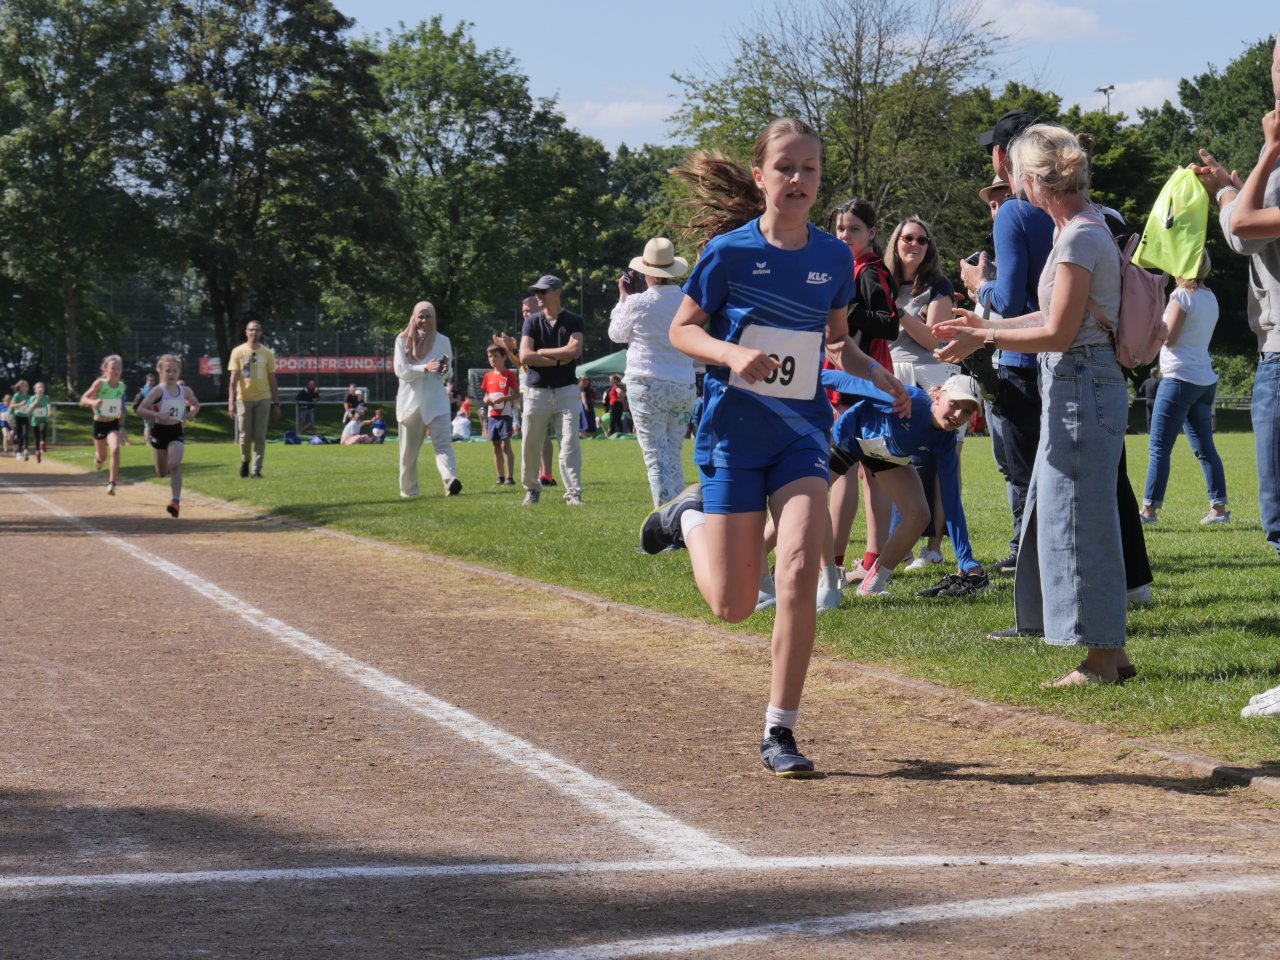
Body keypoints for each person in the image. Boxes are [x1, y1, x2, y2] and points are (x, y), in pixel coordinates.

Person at [639, 117, 909, 777]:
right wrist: (732, 353)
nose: (798, 179)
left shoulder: (833, 258)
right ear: (760, 176)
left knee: (797, 568)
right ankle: (688, 517)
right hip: (734, 433)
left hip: (801, 435)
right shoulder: (728, 253)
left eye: (809, 169)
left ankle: (780, 730)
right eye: (785, 167)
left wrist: (879, 377)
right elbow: (683, 330)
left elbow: (837, 342)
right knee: (732, 606)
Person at [936, 123, 1134, 687]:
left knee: (1078, 521)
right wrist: (983, 325)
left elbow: (1059, 333)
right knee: (1082, 517)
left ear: (1032, 179)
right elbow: (1051, 318)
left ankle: (1099, 662)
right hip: (1080, 383)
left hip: (1079, 384)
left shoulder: (1077, 238)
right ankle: (1112, 654)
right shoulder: (1081, 229)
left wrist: (986, 336)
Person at [959, 110, 1054, 577]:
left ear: (1002, 155)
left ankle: (1026, 550)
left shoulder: (1015, 211)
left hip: (1021, 356)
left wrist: (980, 285)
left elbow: (1010, 299)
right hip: (1066, 355)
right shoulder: (1071, 207)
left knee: (1020, 466)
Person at [823, 370, 988, 598]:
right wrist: (807, 375)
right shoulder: (906, 398)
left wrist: (965, 558)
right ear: (938, 397)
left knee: (918, 514)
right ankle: (774, 571)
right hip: (848, 439)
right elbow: (849, 382)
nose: (959, 414)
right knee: (806, 499)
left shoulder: (946, 440)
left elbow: (951, 500)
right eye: (954, 404)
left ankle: (872, 585)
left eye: (967, 411)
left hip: (883, 453)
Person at [828, 198, 898, 585]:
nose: (845, 235)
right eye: (840, 228)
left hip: (864, 382)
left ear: (871, 233)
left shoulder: (870, 270)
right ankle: (864, 561)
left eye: (853, 229)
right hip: (852, 380)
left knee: (853, 472)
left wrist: (848, 309)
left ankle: (835, 565)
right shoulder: (846, 267)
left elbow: (889, 324)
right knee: (866, 473)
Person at [884, 216, 960, 572]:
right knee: (890, 461)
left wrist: (897, 311)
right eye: (907, 238)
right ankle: (897, 547)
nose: (914, 244)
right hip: (891, 374)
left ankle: (933, 547)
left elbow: (933, 339)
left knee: (941, 462)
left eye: (922, 240)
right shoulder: (880, 280)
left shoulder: (938, 286)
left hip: (931, 376)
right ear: (895, 242)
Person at [1138, 252, 1229, 525]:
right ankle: (1218, 510)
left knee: (1159, 447)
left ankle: (1149, 511)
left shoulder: (1180, 296)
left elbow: (1169, 338)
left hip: (1179, 379)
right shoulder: (1211, 297)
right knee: (1205, 448)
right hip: (1203, 380)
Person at [608, 236, 697, 505]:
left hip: (647, 383)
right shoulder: (687, 300)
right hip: (683, 384)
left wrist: (623, 298)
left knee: (655, 458)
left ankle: (664, 520)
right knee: (673, 454)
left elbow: (616, 334)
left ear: (646, 272)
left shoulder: (638, 302)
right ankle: (680, 514)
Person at [519, 275, 584, 505]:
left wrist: (543, 352)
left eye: (543, 291)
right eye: (537, 291)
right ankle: (532, 488)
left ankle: (573, 493)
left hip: (567, 391)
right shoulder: (531, 322)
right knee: (530, 444)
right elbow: (524, 356)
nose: (539, 295)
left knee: (570, 444)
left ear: (557, 292)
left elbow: (574, 351)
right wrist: (558, 359)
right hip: (536, 392)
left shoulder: (574, 320)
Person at [395, 300, 461, 497]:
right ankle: (408, 491)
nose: (424, 320)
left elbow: (448, 373)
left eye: (428, 316)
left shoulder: (443, 341)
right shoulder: (402, 340)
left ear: (434, 318)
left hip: (436, 400)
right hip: (410, 402)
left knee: (443, 444)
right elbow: (401, 370)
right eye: (420, 316)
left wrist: (445, 370)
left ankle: (450, 480)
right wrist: (424, 368)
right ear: (414, 318)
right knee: (408, 452)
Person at [135, 355, 199, 517]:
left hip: (176, 431)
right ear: (160, 372)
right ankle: (166, 472)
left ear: (179, 372)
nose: (171, 374)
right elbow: (140, 410)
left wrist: (191, 413)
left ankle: (175, 502)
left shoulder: (185, 391)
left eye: (175, 371)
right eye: (168, 370)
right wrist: (157, 415)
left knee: (175, 464)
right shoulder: (158, 391)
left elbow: (196, 404)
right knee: (162, 472)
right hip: (159, 432)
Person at [226, 320, 280, 478]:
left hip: (263, 398)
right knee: (244, 436)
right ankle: (245, 461)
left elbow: (272, 379)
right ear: (246, 332)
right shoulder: (238, 351)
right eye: (251, 330)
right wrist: (231, 402)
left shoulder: (267, 353)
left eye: (257, 330)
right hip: (243, 399)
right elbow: (233, 380)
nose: (253, 333)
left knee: (260, 436)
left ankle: (256, 470)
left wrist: (276, 403)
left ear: (261, 333)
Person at [79, 355, 128, 495]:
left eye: (119, 368)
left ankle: (112, 483)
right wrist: (93, 402)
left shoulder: (122, 386)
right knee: (102, 456)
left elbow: (118, 401)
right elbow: (83, 399)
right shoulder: (100, 383)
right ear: (106, 369)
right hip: (99, 424)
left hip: (113, 423)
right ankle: (98, 460)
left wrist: (121, 411)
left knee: (115, 448)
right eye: (113, 368)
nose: (116, 371)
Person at [482, 343, 519, 485]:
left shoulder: (509, 374)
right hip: (492, 415)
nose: (492, 359)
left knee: (505, 445)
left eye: (495, 356)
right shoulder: (488, 376)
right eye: (490, 356)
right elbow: (486, 394)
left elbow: (516, 394)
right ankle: (500, 477)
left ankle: (509, 477)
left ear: (504, 357)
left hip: (505, 414)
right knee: (495, 446)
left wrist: (503, 399)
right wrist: (486, 400)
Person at [22, 383, 52, 463]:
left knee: (43, 428)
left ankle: (42, 443)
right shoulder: (32, 398)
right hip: (35, 421)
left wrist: (49, 412)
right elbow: (28, 410)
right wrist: (36, 402)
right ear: (35, 390)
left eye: (42, 387)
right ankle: (37, 452)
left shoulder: (46, 397)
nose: (41, 389)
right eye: (39, 387)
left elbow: (48, 404)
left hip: (43, 419)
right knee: (36, 438)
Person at [134, 372, 157, 444]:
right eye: (150, 380)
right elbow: (149, 401)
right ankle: (148, 442)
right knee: (149, 426)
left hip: (146, 410)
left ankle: (146, 440)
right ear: (147, 381)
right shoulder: (147, 389)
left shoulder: (146, 388)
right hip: (148, 410)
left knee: (147, 425)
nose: (151, 382)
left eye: (152, 380)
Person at [10, 379, 30, 460]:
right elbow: (11, 406)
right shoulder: (17, 395)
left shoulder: (29, 397)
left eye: (26, 386)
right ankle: (18, 452)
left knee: (25, 434)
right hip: (18, 417)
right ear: (20, 388)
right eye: (22, 386)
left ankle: (25, 451)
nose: (24, 388)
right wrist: (20, 404)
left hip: (25, 417)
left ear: (28, 387)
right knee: (19, 435)